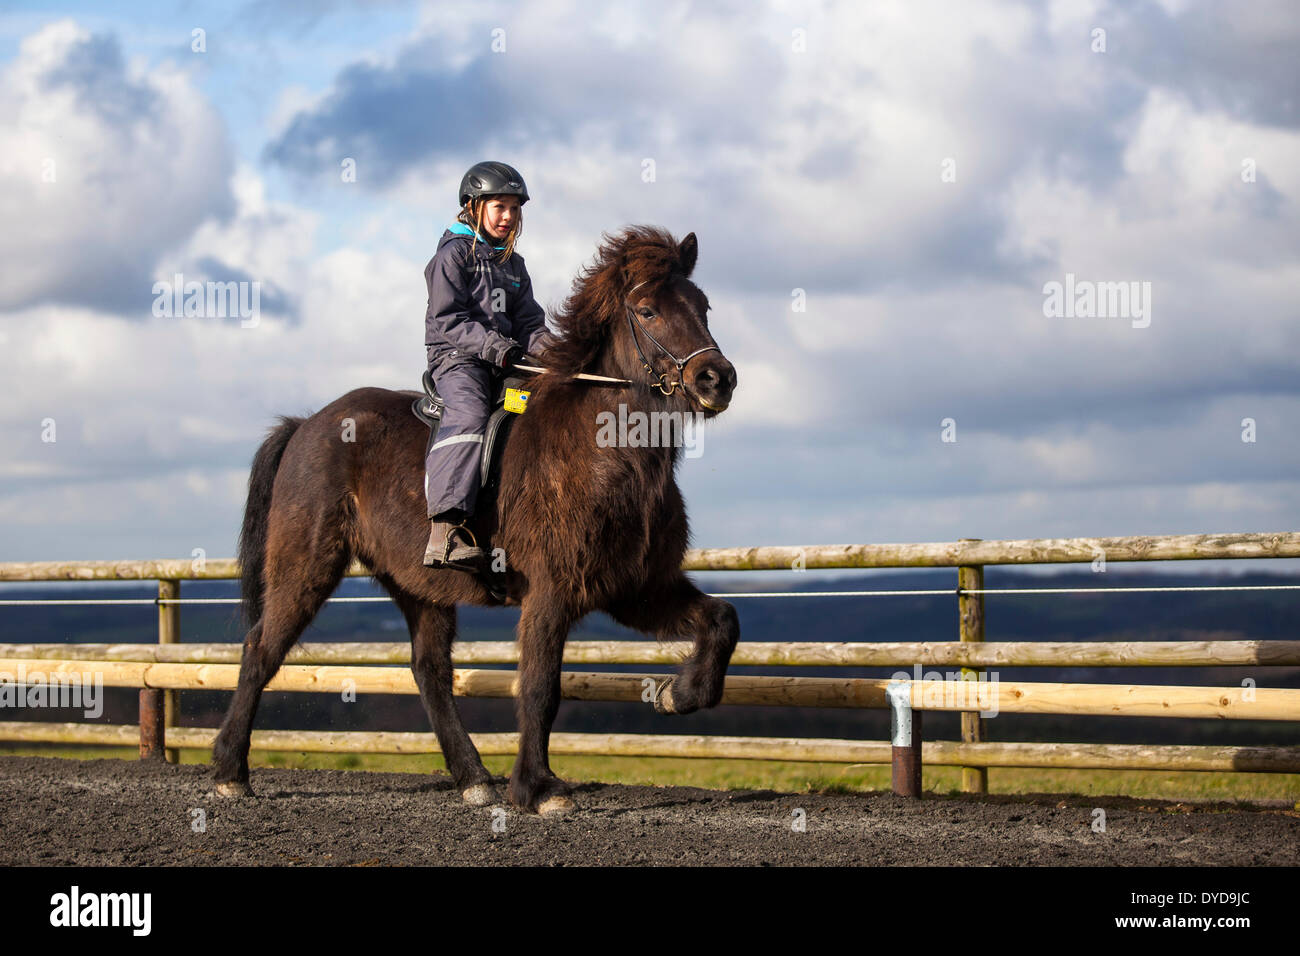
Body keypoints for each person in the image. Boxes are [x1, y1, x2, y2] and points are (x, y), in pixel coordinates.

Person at [422, 161, 554, 570]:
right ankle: (444, 530)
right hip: (458, 361)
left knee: (530, 411)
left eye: (515, 208)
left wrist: (560, 355)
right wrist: (497, 348)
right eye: (499, 206)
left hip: (503, 363)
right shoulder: (453, 255)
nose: (508, 217)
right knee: (471, 414)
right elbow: (449, 321)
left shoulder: (514, 265)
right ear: (473, 206)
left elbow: (531, 324)